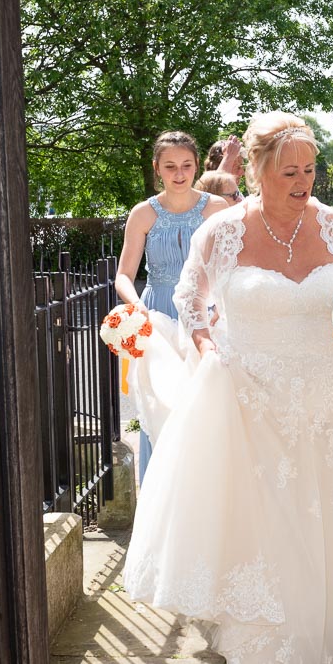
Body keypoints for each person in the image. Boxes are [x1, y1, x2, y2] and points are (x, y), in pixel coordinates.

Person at [123, 113, 333, 664]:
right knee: (265, 530)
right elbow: (189, 302)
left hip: (320, 400)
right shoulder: (223, 231)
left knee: (315, 520)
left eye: (310, 169)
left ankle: (320, 646)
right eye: (288, 170)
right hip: (249, 397)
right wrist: (209, 349)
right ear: (257, 169)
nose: (302, 181)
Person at [115, 132, 227, 479]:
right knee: (160, 407)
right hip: (158, 316)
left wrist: (221, 306)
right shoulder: (142, 214)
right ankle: (159, 501)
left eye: (186, 165)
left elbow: (231, 268)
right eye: (170, 166)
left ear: (196, 166)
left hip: (206, 316)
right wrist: (137, 307)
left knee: (205, 407)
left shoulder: (217, 209)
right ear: (156, 169)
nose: (179, 174)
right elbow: (123, 275)